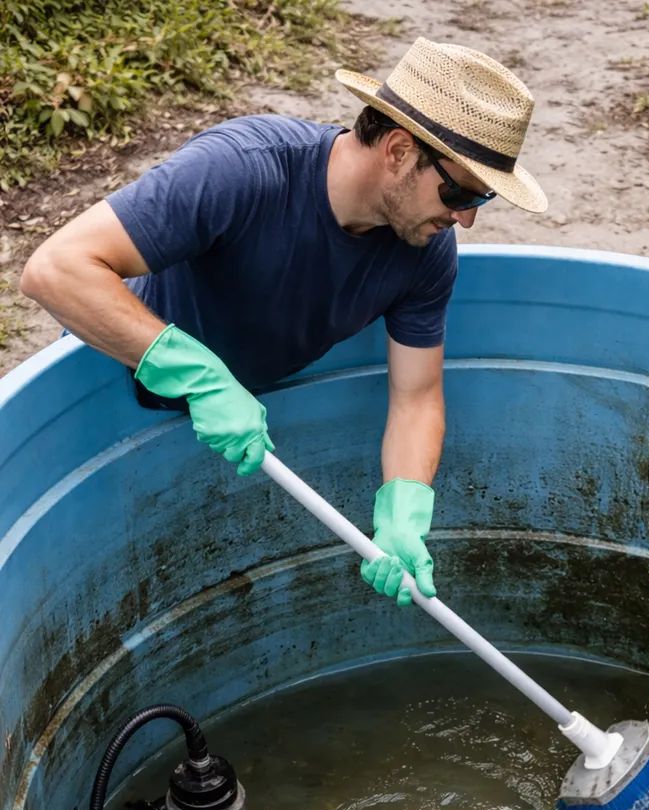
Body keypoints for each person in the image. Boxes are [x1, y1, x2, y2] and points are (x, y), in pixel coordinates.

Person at [20, 37, 547, 606]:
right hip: (112, 388)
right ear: (398, 150)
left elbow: (416, 397)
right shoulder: (243, 170)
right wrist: (198, 376)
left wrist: (405, 508)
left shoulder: (423, 251)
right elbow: (56, 269)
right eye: (459, 191)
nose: (466, 219)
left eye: (482, 199)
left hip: (237, 422)